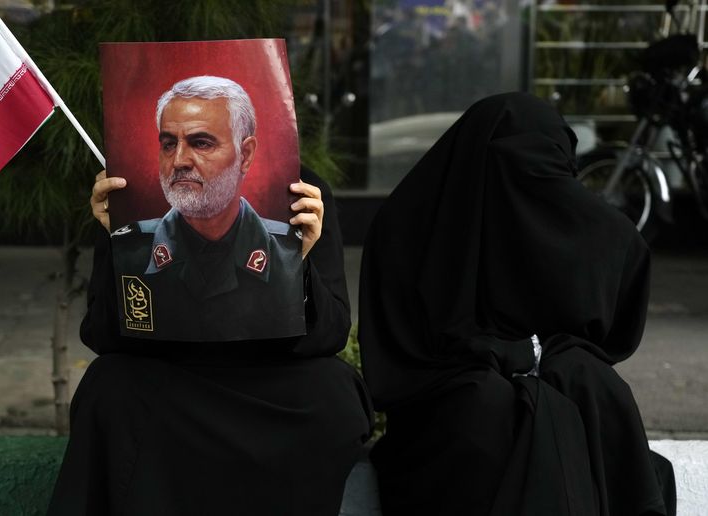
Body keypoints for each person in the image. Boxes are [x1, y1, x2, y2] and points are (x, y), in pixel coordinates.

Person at [358, 92, 675, 515]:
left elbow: (617, 255)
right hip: (438, 417)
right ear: (488, 161)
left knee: (587, 377)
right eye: (539, 167)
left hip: (506, 401)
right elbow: (406, 364)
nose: (551, 188)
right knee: (490, 406)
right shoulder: (410, 229)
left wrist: (538, 358)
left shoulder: (529, 223)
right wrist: (514, 356)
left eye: (559, 172)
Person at [47, 159, 371, 513]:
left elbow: (331, 333)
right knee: (107, 386)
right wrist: (121, 243)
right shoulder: (131, 195)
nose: (184, 159)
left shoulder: (300, 193)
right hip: (171, 382)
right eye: (171, 142)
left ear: (247, 147)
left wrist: (295, 263)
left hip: (268, 386)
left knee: (334, 392)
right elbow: (103, 334)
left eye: (203, 141)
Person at [110, 76, 304, 341]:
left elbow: (326, 338)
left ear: (244, 155)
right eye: (168, 144)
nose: (178, 161)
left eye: (201, 143)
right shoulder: (129, 249)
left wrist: (304, 263)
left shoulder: (289, 248)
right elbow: (101, 340)